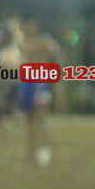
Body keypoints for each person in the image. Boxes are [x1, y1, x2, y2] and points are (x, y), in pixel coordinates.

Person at [17, 16, 61, 167]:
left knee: (40, 115)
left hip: (41, 79)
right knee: (28, 118)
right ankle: (30, 151)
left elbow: (57, 57)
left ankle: (44, 150)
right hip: (27, 80)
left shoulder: (45, 41)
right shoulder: (22, 42)